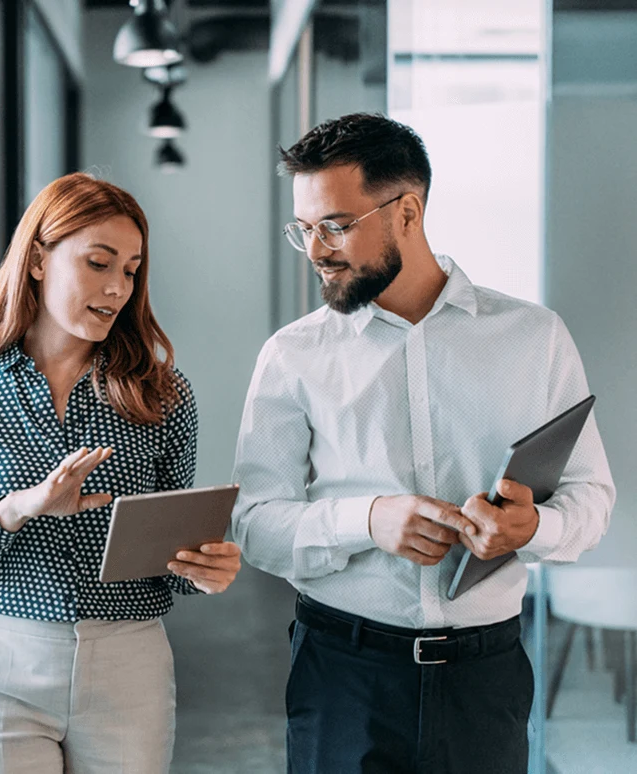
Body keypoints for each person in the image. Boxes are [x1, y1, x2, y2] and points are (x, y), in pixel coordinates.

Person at [231, 113, 615, 774]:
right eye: (305, 230)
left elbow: (592, 498)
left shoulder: (533, 338)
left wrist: (532, 528)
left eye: (336, 225)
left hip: (485, 678)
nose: (318, 248)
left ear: (407, 211)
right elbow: (253, 525)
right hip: (343, 677)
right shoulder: (292, 356)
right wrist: (369, 521)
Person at [0, 172, 241, 774]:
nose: (118, 288)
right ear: (38, 259)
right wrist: (19, 507)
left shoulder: (163, 396)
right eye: (99, 263)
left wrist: (205, 570)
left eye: (132, 270)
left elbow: (171, 562)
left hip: (128, 664)